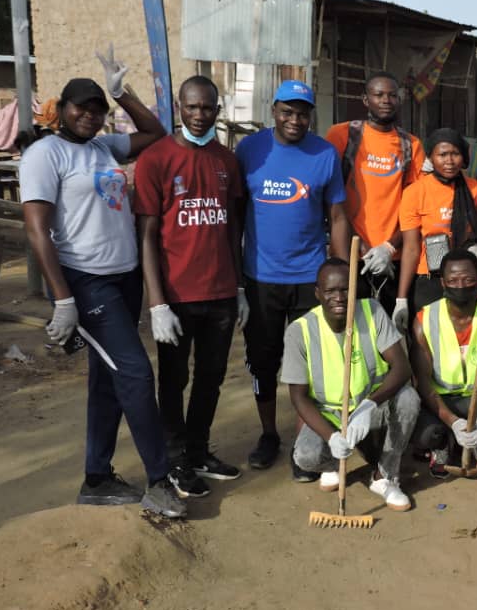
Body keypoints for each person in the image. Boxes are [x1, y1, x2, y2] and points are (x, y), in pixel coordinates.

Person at [19, 47, 184, 518]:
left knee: (109, 380)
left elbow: (154, 134)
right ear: (62, 110)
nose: (90, 116)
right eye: (82, 108)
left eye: (97, 110)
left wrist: (122, 94)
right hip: (86, 283)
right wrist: (64, 299)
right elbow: (37, 229)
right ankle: (159, 481)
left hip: (124, 278)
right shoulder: (45, 154)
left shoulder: (102, 148)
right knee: (135, 372)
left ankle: (97, 477)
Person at [133, 75, 246, 499]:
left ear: (218, 110)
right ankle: (175, 459)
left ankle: (198, 451)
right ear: (179, 108)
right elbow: (145, 235)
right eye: (191, 107)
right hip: (177, 298)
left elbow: (233, 226)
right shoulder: (156, 159)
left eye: (207, 108)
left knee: (211, 379)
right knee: (173, 380)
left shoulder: (226, 161)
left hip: (220, 295)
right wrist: (157, 303)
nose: (199, 116)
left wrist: (238, 289)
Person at [236, 80, 351, 474]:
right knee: (264, 361)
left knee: (311, 364)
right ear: (274, 111)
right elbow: (236, 214)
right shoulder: (250, 150)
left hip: (309, 277)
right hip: (261, 277)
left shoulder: (325, 154)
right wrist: (236, 281)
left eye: (302, 113)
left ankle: (306, 442)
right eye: (287, 111)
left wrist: (339, 270)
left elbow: (336, 216)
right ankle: (269, 434)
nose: (294, 119)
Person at [284, 258, 419, 511]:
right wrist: (331, 436)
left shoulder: (372, 311)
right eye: (330, 291)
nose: (339, 297)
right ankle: (334, 463)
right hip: (330, 414)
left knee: (409, 399)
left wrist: (369, 405)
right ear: (317, 293)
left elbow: (402, 369)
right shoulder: (298, 331)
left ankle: (385, 475)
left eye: (346, 289)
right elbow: (298, 397)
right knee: (305, 457)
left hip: (372, 407)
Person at [410, 250, 477, 479]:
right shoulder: (424, 320)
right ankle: (442, 445)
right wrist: (454, 422)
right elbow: (423, 383)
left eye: (468, 280)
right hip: (442, 399)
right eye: (453, 280)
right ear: (443, 282)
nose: (460, 285)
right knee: (426, 432)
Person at [326, 72, 425, 312]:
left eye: (392, 95)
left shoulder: (411, 145)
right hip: (350, 255)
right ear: (365, 99)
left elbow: (417, 207)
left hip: (393, 258)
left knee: (391, 335)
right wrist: (360, 247)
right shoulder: (342, 135)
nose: (385, 100)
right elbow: (328, 198)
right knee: (354, 330)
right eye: (378, 94)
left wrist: (389, 247)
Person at [393, 128, 477, 333]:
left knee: (462, 339)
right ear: (430, 158)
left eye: (455, 154)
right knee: (426, 343)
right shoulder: (415, 192)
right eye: (442, 154)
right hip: (428, 280)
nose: (449, 161)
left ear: (464, 157)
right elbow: (410, 248)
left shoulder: (475, 190)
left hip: (464, 281)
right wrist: (401, 299)